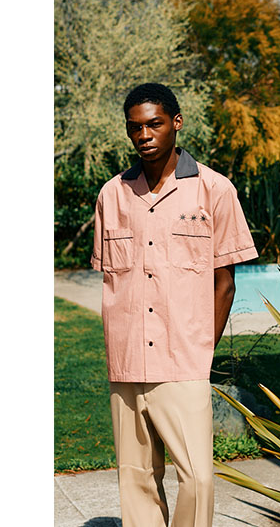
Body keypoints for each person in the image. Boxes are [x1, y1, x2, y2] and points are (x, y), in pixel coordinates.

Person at [91, 83, 258, 527]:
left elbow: (225, 284)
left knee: (197, 480)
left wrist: (202, 350)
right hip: (127, 362)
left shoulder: (214, 190)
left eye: (154, 124)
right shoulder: (112, 194)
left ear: (176, 123)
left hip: (184, 360)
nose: (144, 135)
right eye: (135, 128)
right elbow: (111, 279)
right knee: (137, 478)